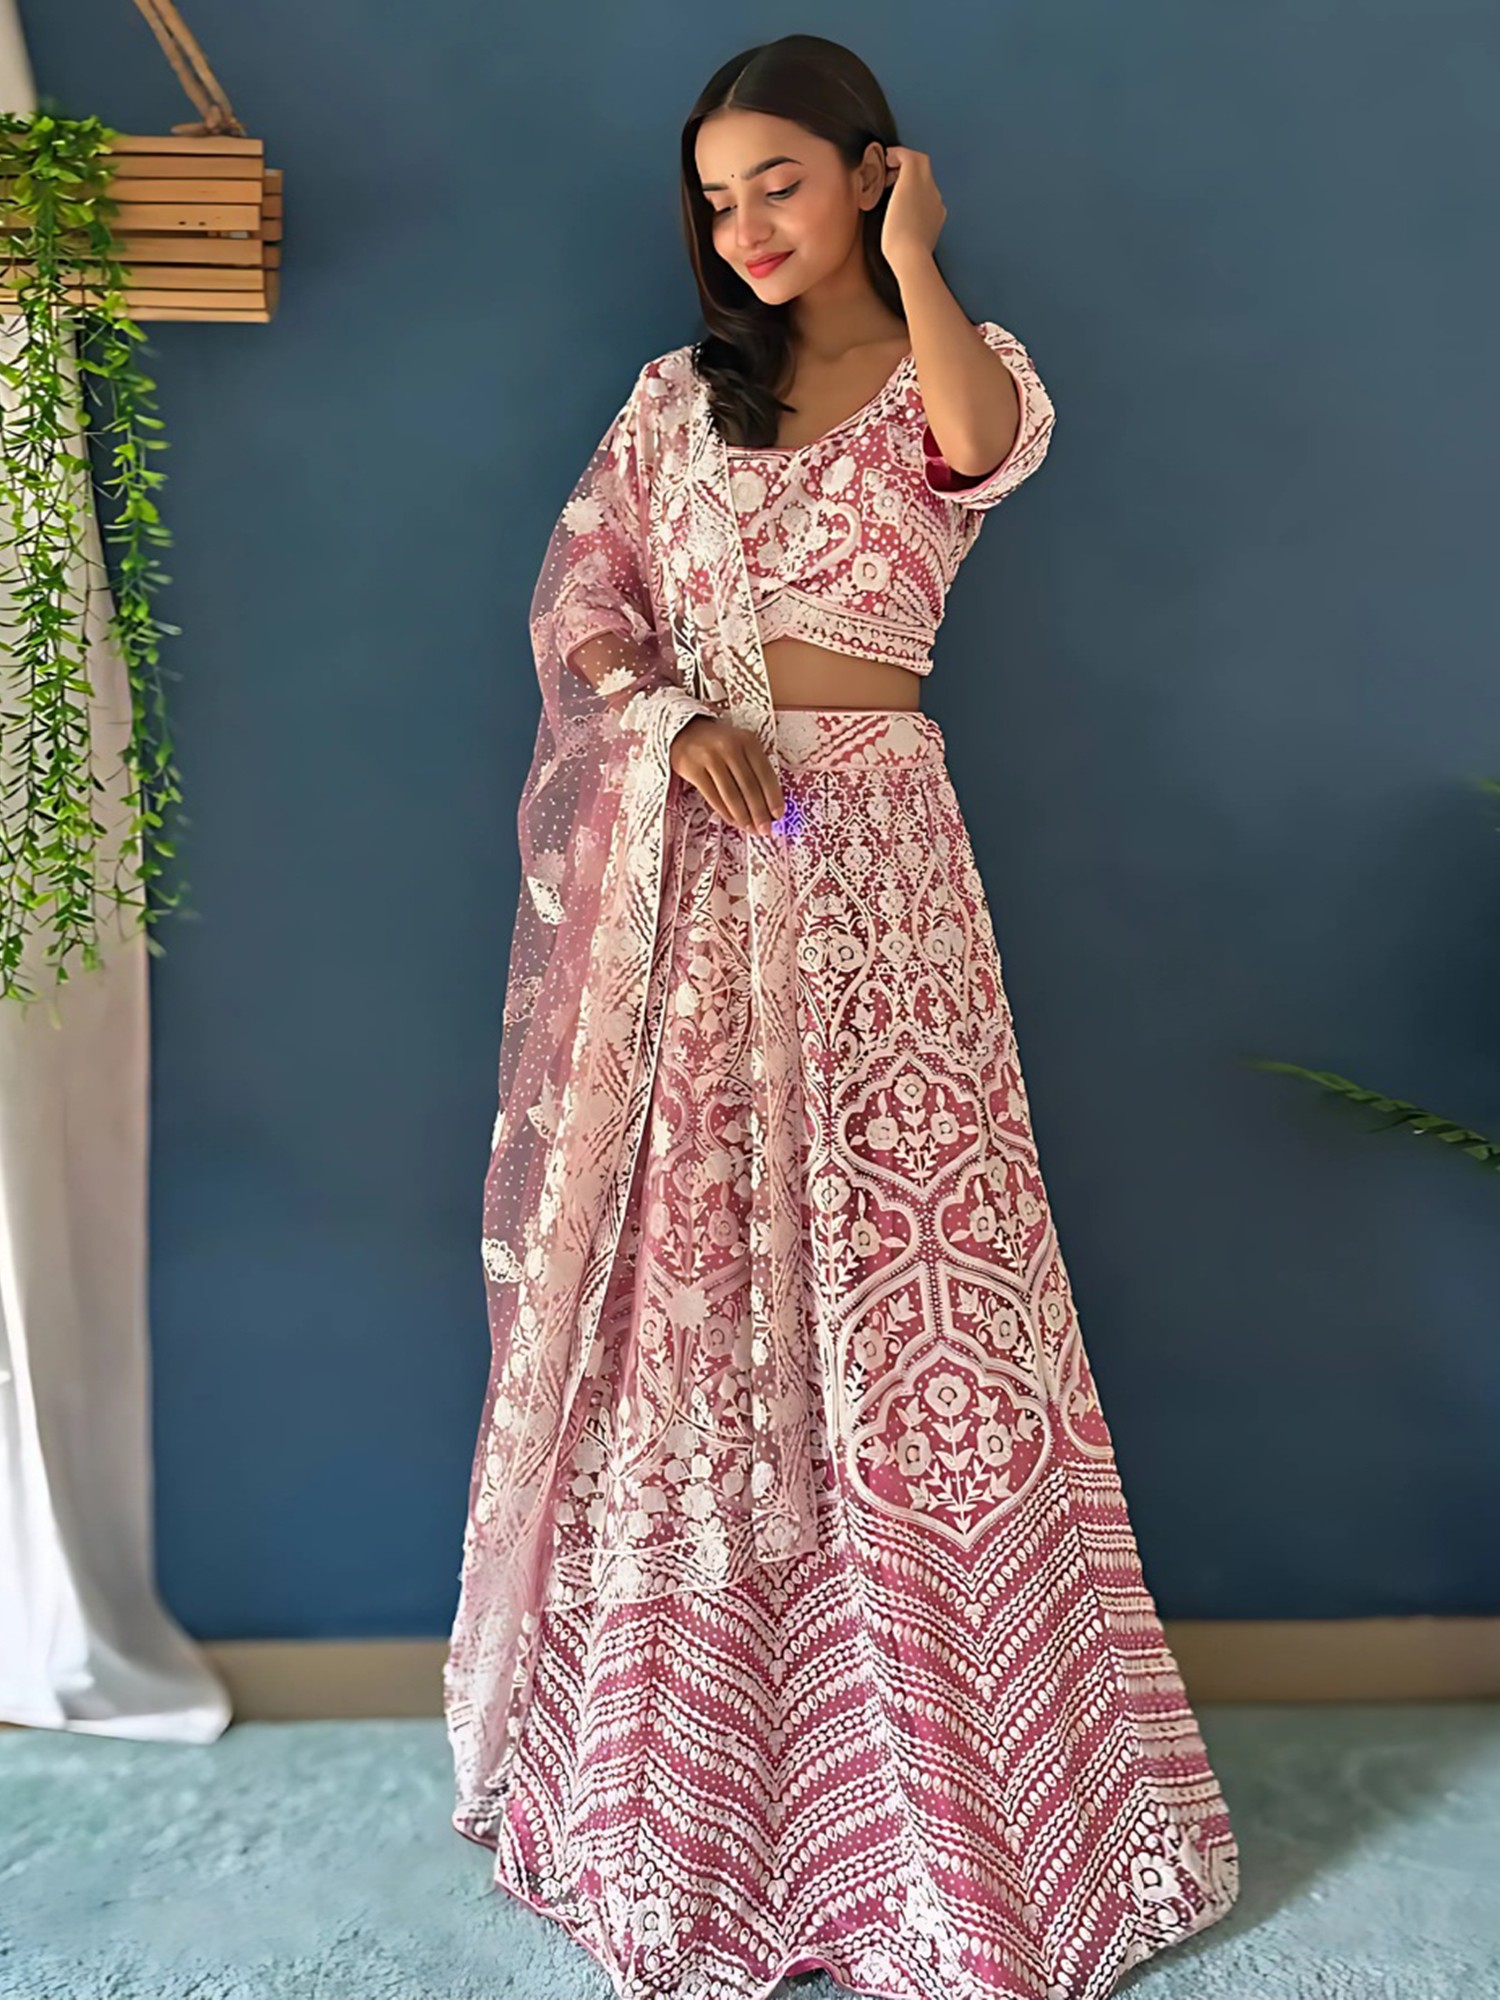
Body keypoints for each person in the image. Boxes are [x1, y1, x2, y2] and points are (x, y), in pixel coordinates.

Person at [444, 32, 1240, 2000]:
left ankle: (956, 1810)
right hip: (704, 873)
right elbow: (581, 606)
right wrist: (669, 716)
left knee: (913, 1285)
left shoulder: (964, 363)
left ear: (873, 171)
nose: (744, 226)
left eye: (780, 182)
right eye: (717, 199)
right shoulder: (673, 402)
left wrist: (921, 258)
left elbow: (980, 447)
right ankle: (697, 1801)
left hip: (875, 854)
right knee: (705, 1277)